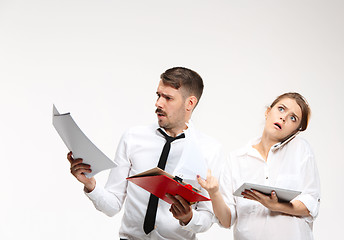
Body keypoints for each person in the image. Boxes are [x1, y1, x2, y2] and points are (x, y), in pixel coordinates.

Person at [67, 67, 223, 240]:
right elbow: (112, 206)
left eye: (168, 98)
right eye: (158, 95)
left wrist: (189, 218)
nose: (158, 103)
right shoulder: (133, 138)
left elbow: (208, 217)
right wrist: (90, 185)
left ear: (190, 103)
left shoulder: (209, 149)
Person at [198, 92, 321, 240]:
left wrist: (277, 206)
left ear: (295, 131)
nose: (284, 117)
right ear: (268, 112)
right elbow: (226, 221)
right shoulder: (236, 159)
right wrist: (214, 192)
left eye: (293, 118)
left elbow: (311, 204)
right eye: (281, 109)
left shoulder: (300, 149)